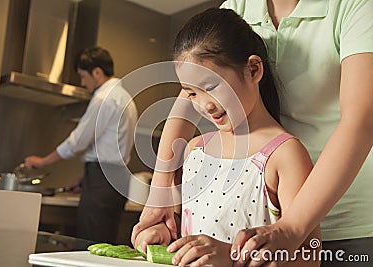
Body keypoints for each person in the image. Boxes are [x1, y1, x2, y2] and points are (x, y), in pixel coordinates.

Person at [132, 0, 373, 266]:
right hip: (268, 229)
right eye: (194, 94)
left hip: (347, 220)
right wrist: (160, 195)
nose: (204, 103)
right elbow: (193, 88)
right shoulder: (239, 5)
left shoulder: (354, 6)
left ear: (254, 69)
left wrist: (292, 229)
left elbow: (361, 121)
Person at [25, 47, 138, 243]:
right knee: (105, 245)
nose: (82, 82)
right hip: (116, 179)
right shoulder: (124, 97)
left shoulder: (104, 98)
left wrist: (42, 161)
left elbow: (77, 142)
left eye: (83, 76)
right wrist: (84, 177)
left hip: (101, 183)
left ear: (97, 72)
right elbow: (110, 149)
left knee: (91, 244)